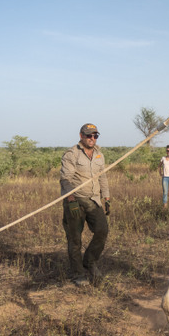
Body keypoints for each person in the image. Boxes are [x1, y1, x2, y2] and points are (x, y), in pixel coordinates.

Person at [60, 123, 110, 287]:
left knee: (102, 231)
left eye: (95, 136)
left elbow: (102, 177)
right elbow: (66, 178)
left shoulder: (99, 155)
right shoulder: (71, 154)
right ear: (81, 136)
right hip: (75, 201)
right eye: (89, 135)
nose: (92, 139)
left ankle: (89, 261)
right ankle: (78, 273)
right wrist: (71, 199)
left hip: (94, 200)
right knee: (75, 240)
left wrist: (107, 196)